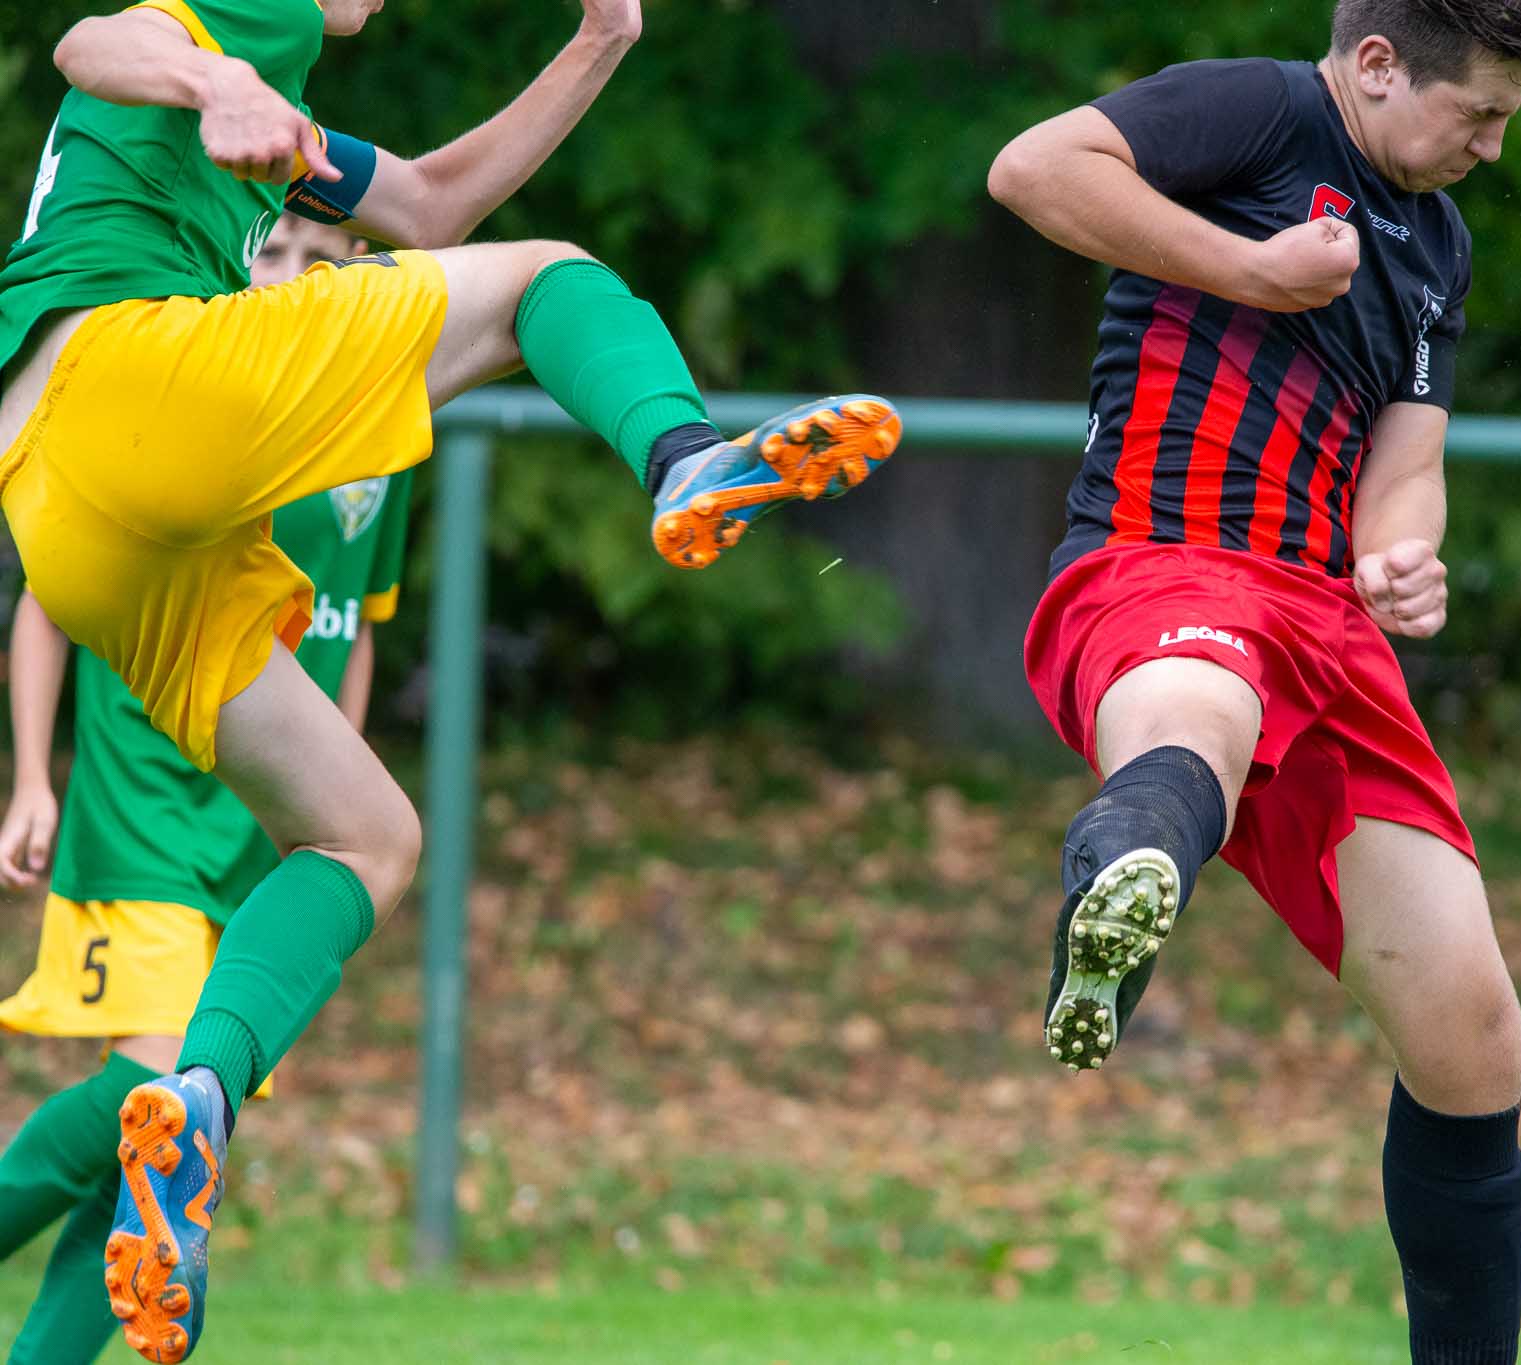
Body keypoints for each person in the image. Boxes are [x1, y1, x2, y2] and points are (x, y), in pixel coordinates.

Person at [0, 0, 900, 1357]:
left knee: (368, 836)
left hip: (75, 525)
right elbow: (87, 41)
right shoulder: (226, 25)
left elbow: (426, 203)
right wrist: (221, 76)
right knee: (550, 284)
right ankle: (683, 458)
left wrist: (599, 40)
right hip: (125, 388)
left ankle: (196, 1099)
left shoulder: (272, 105)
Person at [989, 3, 1521, 1361]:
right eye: (1479, 115)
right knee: (1202, 715)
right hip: (1164, 560)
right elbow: (1035, 169)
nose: (1492, 148)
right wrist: (1255, 270)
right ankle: (1121, 874)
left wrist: (1405, 559)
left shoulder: (1438, 241)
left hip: (1326, 623)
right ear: (1377, 66)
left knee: (1471, 1038)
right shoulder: (1260, 112)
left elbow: (1408, 461)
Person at [0, 215, 414, 1365]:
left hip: (257, 834)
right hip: (144, 807)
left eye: (320, 262)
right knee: (157, 1092)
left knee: (166, 1148)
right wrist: (33, 777)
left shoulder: (367, 438)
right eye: (271, 250)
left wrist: (337, 804)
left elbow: (358, 633)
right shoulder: (183, 392)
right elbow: (45, 601)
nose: (290, 275)